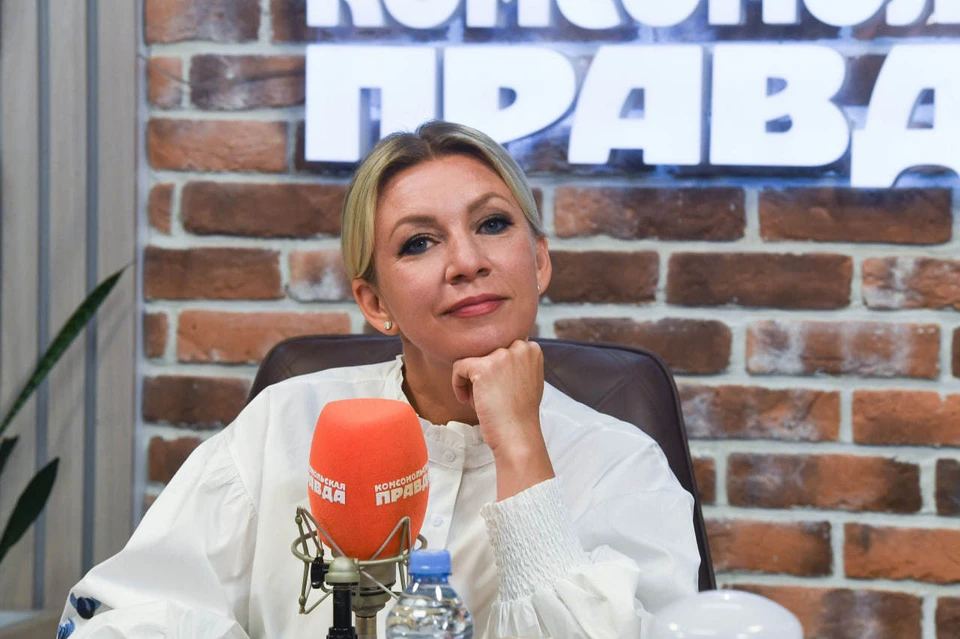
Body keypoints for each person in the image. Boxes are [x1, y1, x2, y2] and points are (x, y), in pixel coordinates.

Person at [59, 121, 700, 638]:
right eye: (419, 242)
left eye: (492, 224)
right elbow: (132, 613)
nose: (466, 262)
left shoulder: (624, 464)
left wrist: (520, 444)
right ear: (374, 302)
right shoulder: (284, 424)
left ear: (538, 260)